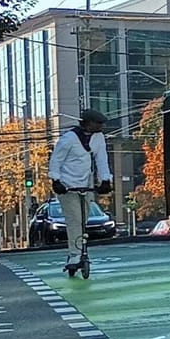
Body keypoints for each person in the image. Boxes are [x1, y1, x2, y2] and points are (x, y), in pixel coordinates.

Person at [48, 107, 114, 274]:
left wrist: (105, 179)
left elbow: (101, 159)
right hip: (67, 186)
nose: (101, 126)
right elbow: (56, 160)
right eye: (98, 123)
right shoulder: (69, 139)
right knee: (74, 219)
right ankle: (74, 255)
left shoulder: (98, 138)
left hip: (84, 184)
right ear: (89, 123)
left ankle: (79, 250)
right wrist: (56, 180)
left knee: (84, 217)